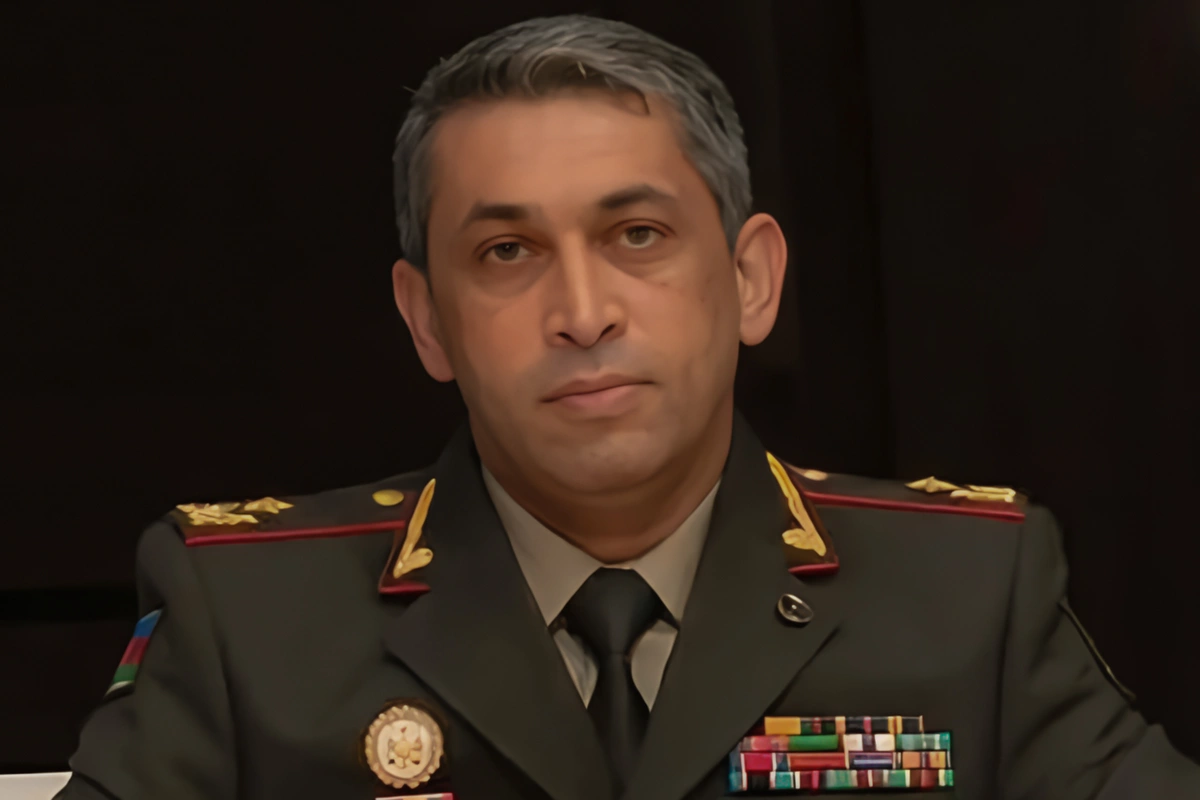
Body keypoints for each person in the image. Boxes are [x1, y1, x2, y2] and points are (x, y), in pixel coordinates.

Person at [56, 13, 1199, 800]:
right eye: (507, 252)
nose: (582, 310)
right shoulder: (248, 618)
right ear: (427, 320)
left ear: (751, 279)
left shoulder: (966, 592)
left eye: (637, 234)